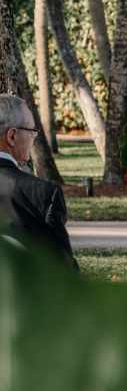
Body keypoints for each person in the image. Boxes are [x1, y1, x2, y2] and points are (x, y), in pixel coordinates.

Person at [0, 93, 76, 267]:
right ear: (12, 136)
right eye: (31, 132)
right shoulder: (44, 194)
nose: (33, 139)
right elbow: (63, 271)